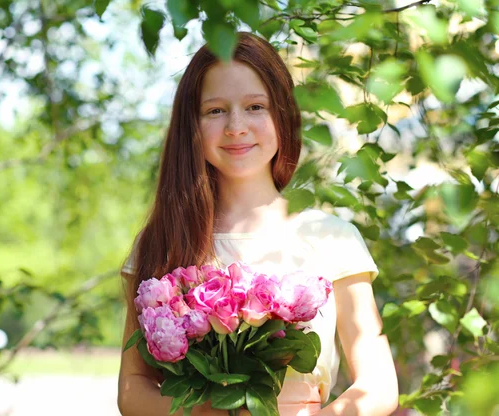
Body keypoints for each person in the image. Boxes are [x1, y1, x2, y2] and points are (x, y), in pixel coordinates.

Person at [117, 31, 398, 416]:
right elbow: (133, 389)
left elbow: (379, 385)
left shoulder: (333, 239)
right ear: (192, 127)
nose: (236, 127)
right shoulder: (162, 242)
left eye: (255, 107)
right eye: (215, 111)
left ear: (283, 115)